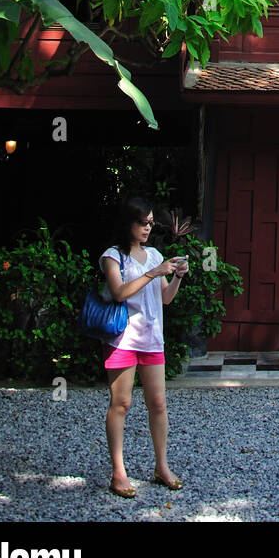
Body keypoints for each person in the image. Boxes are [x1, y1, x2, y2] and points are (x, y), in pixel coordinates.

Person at [99, 195, 189, 498]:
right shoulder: (113, 256)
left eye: (151, 223)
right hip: (122, 339)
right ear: (129, 223)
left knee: (159, 404)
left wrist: (175, 277)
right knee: (121, 404)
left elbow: (165, 299)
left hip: (152, 339)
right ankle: (119, 471)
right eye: (142, 222)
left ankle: (161, 466)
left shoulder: (153, 255)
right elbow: (119, 293)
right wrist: (153, 273)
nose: (147, 228)